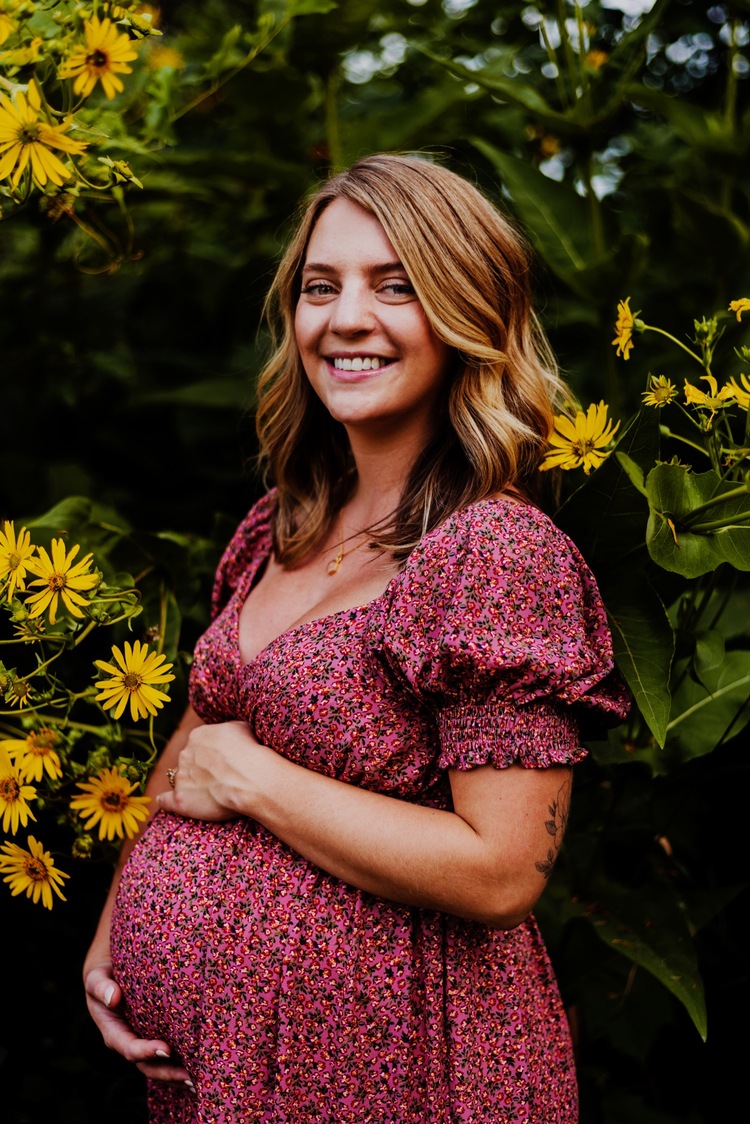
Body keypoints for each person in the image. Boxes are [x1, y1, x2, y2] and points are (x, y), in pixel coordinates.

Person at [83, 152, 629, 1122]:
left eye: (396, 285)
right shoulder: (286, 522)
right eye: (319, 286)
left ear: (467, 311)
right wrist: (113, 926)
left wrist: (255, 780)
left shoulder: (491, 553)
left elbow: (502, 869)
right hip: (224, 1066)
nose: (344, 318)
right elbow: (209, 723)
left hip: (395, 1068)